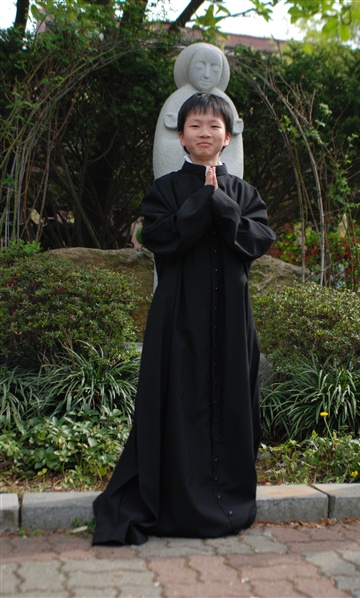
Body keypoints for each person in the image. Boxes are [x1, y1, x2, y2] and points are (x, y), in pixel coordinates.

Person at [92, 92, 276, 546]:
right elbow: (160, 238)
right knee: (178, 399)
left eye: (214, 126)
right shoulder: (166, 191)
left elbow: (257, 240)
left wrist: (223, 204)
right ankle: (177, 502)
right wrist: (201, 201)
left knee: (231, 399)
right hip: (179, 317)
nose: (205, 133)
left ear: (227, 137)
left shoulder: (244, 193)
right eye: (195, 126)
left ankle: (228, 500)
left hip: (232, 320)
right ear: (181, 136)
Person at [153, 42, 244, 179]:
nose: (207, 75)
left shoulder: (239, 189)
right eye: (200, 67)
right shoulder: (177, 99)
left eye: (214, 69)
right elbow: (165, 133)